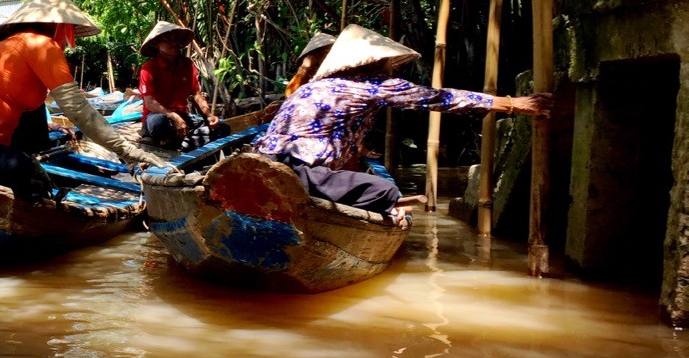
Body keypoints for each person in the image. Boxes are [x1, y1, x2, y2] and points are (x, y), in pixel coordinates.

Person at [251, 24, 550, 225]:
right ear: (372, 62)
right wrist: (512, 103)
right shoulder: (370, 84)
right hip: (299, 172)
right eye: (387, 63)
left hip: (260, 161)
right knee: (383, 190)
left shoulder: (310, 87)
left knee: (350, 182)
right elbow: (439, 98)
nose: (390, 67)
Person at [0, 0, 169, 202]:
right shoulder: (41, 45)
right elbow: (77, 109)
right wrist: (128, 150)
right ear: (59, 28)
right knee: (23, 168)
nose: (67, 41)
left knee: (34, 118)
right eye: (68, 31)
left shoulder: (4, 46)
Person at [137, 20, 229, 151]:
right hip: (159, 117)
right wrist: (174, 117)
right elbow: (150, 103)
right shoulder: (148, 68)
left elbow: (197, 95)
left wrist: (209, 116)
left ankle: (182, 144)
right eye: (167, 40)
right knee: (159, 123)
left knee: (223, 128)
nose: (173, 43)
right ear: (156, 44)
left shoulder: (187, 65)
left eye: (176, 39)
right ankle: (180, 141)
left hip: (183, 117)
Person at [259, 31, 335, 122]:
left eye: (327, 52)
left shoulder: (343, 72)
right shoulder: (309, 76)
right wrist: (305, 68)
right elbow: (290, 96)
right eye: (323, 53)